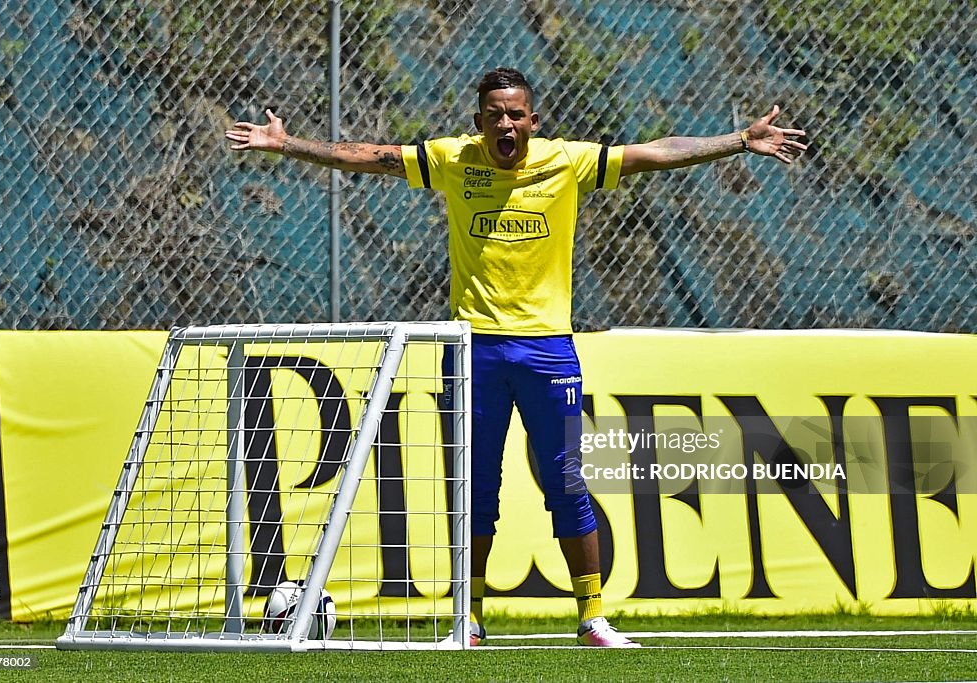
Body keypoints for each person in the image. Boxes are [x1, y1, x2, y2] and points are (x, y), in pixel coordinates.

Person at [226, 67, 807, 647]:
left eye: (515, 114)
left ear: (532, 120)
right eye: (494, 115)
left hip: (548, 349)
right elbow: (368, 156)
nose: (505, 124)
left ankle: (592, 617)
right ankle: (470, 620)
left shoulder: (568, 160)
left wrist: (737, 141)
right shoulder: (453, 159)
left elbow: (655, 152)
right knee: (476, 491)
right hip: (473, 348)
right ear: (478, 121)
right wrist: (287, 144)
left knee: (567, 484)